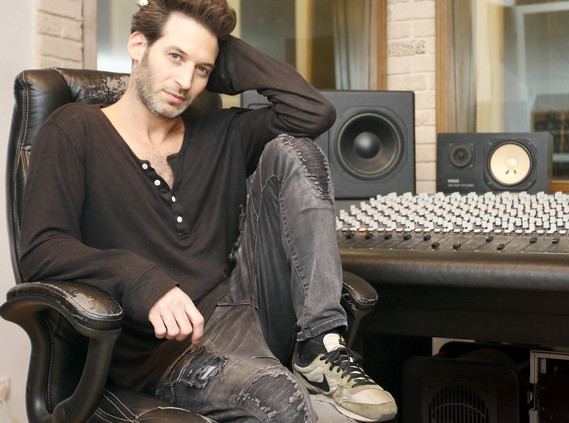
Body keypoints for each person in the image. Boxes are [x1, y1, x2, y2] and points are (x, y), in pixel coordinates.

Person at [18, 0, 396, 422]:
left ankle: (320, 345)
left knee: (295, 150)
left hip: (246, 309)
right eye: (175, 56)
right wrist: (139, 278)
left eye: (202, 70)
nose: (185, 82)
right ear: (138, 45)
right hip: (168, 352)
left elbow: (314, 112)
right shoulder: (74, 128)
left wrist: (219, 47)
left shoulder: (224, 132)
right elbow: (42, 249)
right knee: (280, 400)